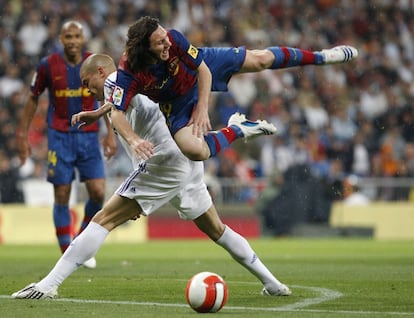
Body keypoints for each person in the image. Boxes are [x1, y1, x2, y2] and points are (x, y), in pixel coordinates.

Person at [12, 53, 291, 299]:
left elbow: (118, 103)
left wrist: (132, 140)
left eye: (87, 83)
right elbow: (124, 101)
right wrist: (98, 112)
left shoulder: (112, 81)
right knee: (216, 230)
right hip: (184, 160)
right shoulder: (129, 82)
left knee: (103, 220)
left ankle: (48, 285)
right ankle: (273, 283)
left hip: (163, 161)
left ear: (100, 72)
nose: (87, 89)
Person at [112, 16, 358, 161]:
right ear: (145, 48)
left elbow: (203, 70)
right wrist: (133, 141)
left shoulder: (174, 38)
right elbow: (116, 111)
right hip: (176, 101)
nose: (168, 43)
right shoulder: (129, 70)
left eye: (165, 37)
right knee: (195, 152)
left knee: (261, 59)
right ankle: (238, 129)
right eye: (160, 42)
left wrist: (202, 108)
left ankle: (321, 57)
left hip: (200, 68)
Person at [16, 21, 117, 268]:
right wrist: (22, 136)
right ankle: (67, 251)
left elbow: (105, 94)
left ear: (83, 39)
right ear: (61, 39)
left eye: (77, 36)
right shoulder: (48, 65)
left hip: (89, 135)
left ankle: (78, 244)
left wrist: (110, 133)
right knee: (61, 194)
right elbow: (32, 98)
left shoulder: (93, 64)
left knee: (97, 191)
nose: (72, 40)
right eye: (68, 36)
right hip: (60, 136)